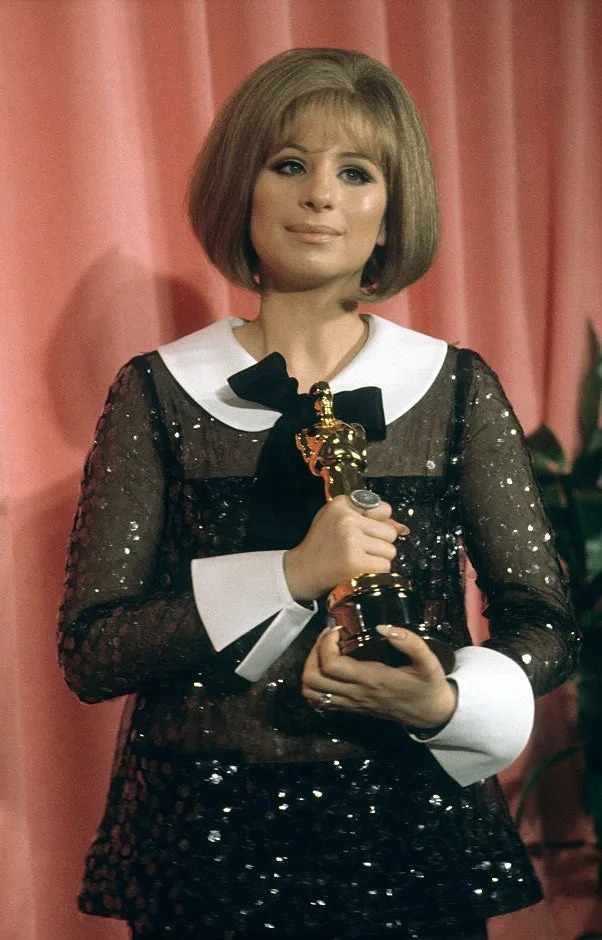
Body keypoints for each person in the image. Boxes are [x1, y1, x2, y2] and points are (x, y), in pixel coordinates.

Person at [58, 48, 579, 939]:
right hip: (203, 843)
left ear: (390, 213)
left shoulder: (453, 389)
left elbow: (546, 622)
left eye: (356, 171)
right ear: (243, 190)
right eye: (290, 164)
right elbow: (94, 650)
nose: (321, 195)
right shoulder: (156, 389)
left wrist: (449, 703)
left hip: (412, 832)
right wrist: (290, 573)